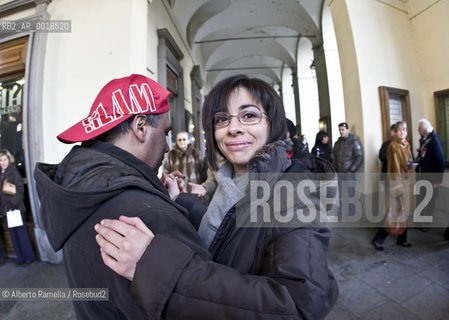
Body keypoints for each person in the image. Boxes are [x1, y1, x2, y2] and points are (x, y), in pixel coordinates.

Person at [95, 75, 339, 319]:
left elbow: (297, 305)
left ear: (273, 123)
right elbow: (228, 233)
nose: (233, 128)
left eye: (250, 115)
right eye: (222, 118)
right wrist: (182, 200)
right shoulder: (229, 180)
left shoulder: (294, 194)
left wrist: (158, 268)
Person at [34, 74, 213, 319]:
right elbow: (207, 303)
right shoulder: (150, 215)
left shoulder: (76, 186)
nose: (168, 146)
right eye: (165, 132)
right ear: (140, 127)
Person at [372, 121, 414, 250]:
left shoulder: (406, 145)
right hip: (398, 185)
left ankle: (402, 239)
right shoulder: (393, 146)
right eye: (400, 130)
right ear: (395, 132)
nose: (403, 132)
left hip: (408, 185)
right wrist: (398, 188)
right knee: (393, 212)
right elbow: (394, 169)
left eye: (405, 130)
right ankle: (378, 239)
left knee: (404, 212)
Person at [0, 149, 35, 265]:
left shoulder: (13, 171)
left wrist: (12, 204)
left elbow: (20, 190)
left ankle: (28, 258)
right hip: (6, 211)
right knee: (13, 236)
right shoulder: (1, 173)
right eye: (1, 160)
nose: (3, 162)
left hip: (15, 209)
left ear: (9, 159)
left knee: (21, 234)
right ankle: (20, 259)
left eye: (5, 159)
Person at [415, 119, 445, 231]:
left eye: (419, 128)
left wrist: (437, 181)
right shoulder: (425, 139)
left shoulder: (434, 142)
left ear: (425, 130)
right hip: (423, 175)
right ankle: (420, 221)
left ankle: (426, 223)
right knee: (421, 198)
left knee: (429, 201)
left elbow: (440, 162)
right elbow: (423, 155)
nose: (418, 130)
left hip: (432, 179)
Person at [332, 122, 363, 216]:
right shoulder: (337, 143)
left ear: (347, 130)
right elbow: (333, 156)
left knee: (350, 193)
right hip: (339, 173)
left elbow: (359, 157)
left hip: (349, 173)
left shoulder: (354, 142)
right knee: (341, 194)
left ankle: (351, 212)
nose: (341, 132)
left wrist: (351, 170)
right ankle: (341, 212)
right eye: (340, 130)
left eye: (343, 130)